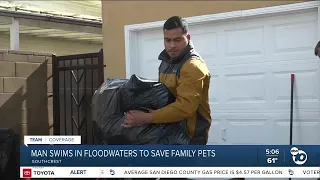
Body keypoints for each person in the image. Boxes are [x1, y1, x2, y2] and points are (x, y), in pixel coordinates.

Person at [123, 16, 212, 145]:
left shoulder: (192, 66)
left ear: (188, 38)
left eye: (177, 40)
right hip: (168, 132)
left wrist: (146, 118)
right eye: (167, 40)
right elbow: (163, 96)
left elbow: (185, 107)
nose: (172, 45)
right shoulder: (166, 62)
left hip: (191, 137)